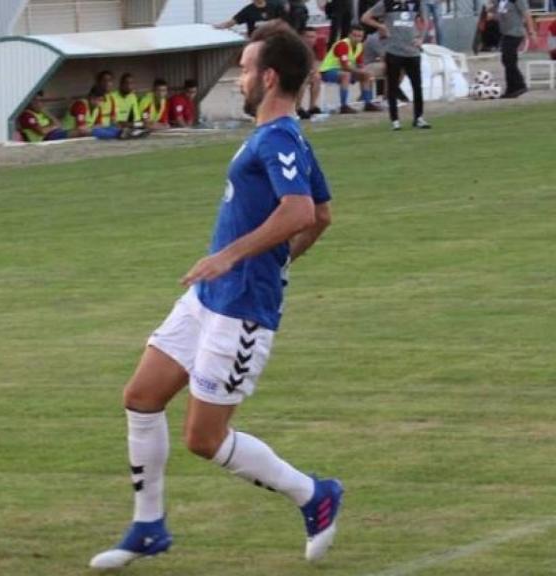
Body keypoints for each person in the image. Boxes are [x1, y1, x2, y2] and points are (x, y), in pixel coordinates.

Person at [89, 24, 339, 571]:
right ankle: (148, 526)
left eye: (246, 68)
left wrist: (236, 257)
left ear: (269, 77)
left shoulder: (278, 138)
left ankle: (313, 494)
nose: (239, 78)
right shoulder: (281, 135)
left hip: (240, 311)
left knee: (204, 439)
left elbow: (299, 212)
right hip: (207, 299)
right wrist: (277, 258)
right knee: (141, 396)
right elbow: (320, 214)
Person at [362, 0, 432, 130]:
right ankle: (395, 121)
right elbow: (365, 17)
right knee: (392, 87)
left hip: (412, 51)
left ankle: (419, 118)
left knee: (417, 86)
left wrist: (421, 38)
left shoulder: (416, 3)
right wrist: (381, 26)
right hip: (394, 50)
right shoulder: (386, 3)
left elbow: (425, 21)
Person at [320, 27, 383, 113]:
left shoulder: (359, 46)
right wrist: (361, 71)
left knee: (366, 75)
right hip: (328, 71)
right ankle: (344, 105)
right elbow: (345, 66)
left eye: (360, 36)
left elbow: (360, 63)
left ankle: (368, 103)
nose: (357, 38)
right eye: (355, 35)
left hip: (344, 71)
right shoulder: (342, 45)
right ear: (349, 35)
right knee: (346, 75)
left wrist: (364, 71)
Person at [488, 0, 536, 98]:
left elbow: (526, 14)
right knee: (508, 60)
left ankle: (519, 85)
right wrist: (491, 12)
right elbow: (499, 16)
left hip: (515, 33)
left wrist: (531, 31)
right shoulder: (500, 1)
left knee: (508, 59)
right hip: (506, 33)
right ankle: (512, 88)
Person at [215, 0, 287, 37]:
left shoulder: (275, 6)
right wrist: (219, 26)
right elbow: (232, 22)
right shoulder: (248, 10)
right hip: (255, 41)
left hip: (272, 40)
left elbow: (283, 22)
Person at [297, 27, 324, 118]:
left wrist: (313, 72)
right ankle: (298, 108)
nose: (310, 39)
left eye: (313, 37)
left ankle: (312, 107)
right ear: (302, 37)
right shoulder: (296, 49)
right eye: (308, 37)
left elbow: (315, 66)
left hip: (304, 74)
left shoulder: (314, 49)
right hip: (290, 74)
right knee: (303, 79)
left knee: (317, 77)